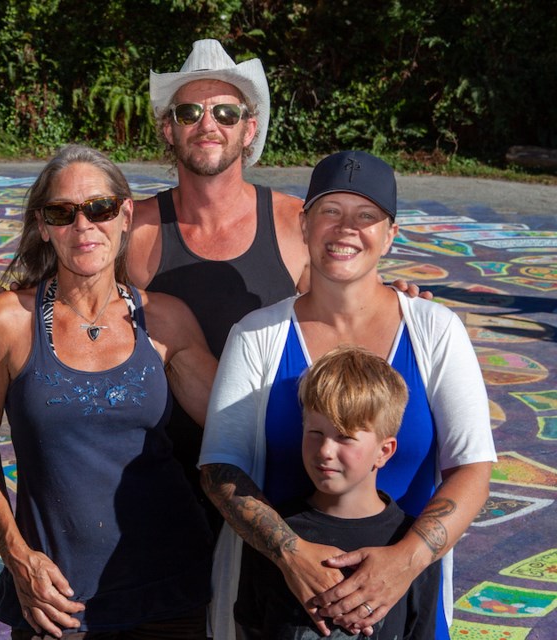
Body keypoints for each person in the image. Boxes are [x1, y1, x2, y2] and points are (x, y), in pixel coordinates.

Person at [199, 150, 496, 640]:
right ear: (305, 223)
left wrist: (403, 563)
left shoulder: (436, 331)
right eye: (330, 212)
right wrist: (290, 555)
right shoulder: (256, 335)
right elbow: (220, 469)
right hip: (277, 602)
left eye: (366, 216)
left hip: (402, 607)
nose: (345, 228)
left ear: (390, 234)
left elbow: (474, 468)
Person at [0, 144, 218, 639]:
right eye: (62, 212)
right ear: (43, 226)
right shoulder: (6, 322)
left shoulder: (166, 320)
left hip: (169, 590)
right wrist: (17, 556)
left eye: (99, 208)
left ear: (125, 215)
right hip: (56, 599)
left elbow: (239, 423)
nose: (83, 227)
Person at [127, 38, 309, 539]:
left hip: (274, 485)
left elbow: (348, 330)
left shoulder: (298, 224)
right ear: (169, 127)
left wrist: (404, 302)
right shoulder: (134, 229)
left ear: (249, 128)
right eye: (190, 111)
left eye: (226, 112)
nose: (209, 124)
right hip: (157, 492)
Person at [234, 345, 441, 639]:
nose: (325, 451)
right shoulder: (272, 529)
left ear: (384, 451)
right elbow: (249, 624)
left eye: (345, 437)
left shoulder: (410, 542)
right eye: (315, 433)